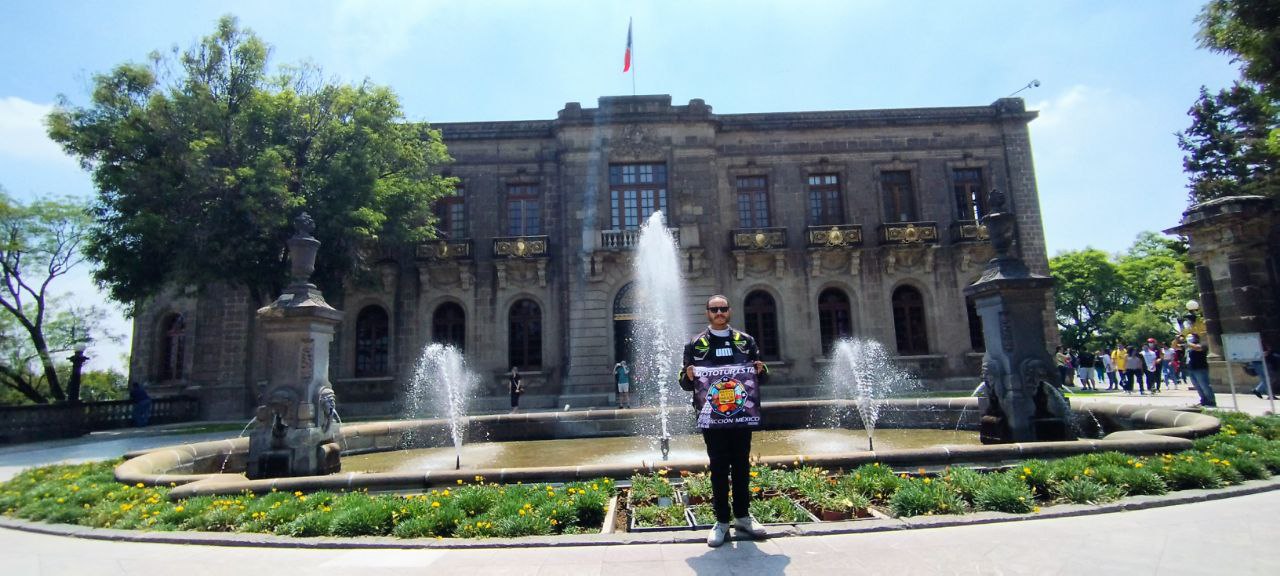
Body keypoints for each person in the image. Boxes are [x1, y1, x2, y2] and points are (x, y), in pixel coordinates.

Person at [678, 294, 769, 547]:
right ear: (707, 312)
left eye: (723, 309)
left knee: (741, 465)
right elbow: (685, 383)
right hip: (712, 419)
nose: (719, 313)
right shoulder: (695, 344)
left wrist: (761, 371)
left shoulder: (745, 341)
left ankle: (742, 516)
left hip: (742, 416)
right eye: (714, 309)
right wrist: (688, 376)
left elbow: (761, 376)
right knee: (718, 468)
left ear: (729, 311)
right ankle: (721, 522)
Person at [1183, 333, 1217, 408]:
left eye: (1190, 337)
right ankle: (1204, 401)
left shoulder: (1202, 344)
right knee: (1198, 387)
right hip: (1191, 369)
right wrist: (1177, 339)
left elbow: (1197, 348)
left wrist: (1188, 343)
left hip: (1200, 368)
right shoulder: (1189, 347)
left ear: (1196, 338)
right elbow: (1175, 346)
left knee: (1204, 385)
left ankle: (1211, 401)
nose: (1189, 338)